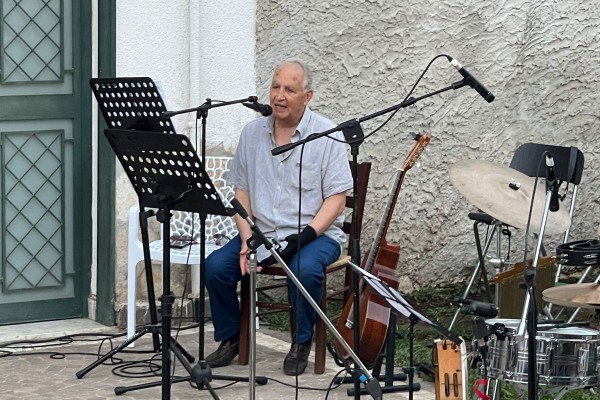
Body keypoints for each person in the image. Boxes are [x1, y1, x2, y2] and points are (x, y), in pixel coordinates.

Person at [204, 59, 353, 376]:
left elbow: (337, 198)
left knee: (303, 268)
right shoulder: (252, 133)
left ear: (307, 96)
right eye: (275, 87)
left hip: (316, 236)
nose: (279, 96)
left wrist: (307, 236)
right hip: (261, 233)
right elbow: (240, 192)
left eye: (289, 89)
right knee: (217, 266)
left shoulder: (327, 134)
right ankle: (231, 339)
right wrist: (246, 240)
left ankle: (301, 342)